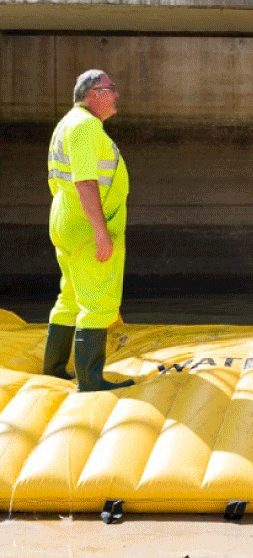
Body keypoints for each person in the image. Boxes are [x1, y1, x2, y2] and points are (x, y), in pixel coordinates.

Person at [43, 69, 134, 391]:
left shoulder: (68, 122)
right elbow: (85, 180)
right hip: (85, 222)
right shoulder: (84, 128)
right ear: (94, 93)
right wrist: (100, 231)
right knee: (98, 302)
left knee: (70, 295)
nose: (116, 94)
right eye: (111, 88)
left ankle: (54, 369)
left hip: (66, 217)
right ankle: (91, 379)